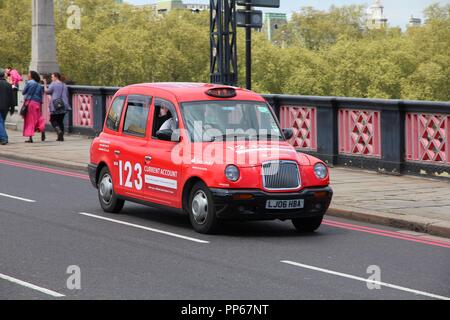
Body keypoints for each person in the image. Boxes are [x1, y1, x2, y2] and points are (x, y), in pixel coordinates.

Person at [44, 73, 71, 141]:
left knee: (53, 120)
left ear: (56, 77)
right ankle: (61, 137)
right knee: (60, 120)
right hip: (64, 104)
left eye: (52, 77)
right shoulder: (64, 85)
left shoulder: (53, 84)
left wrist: (45, 84)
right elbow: (67, 94)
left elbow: (47, 91)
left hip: (55, 105)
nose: (51, 78)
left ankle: (58, 131)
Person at [22, 70, 46, 143]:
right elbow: (41, 95)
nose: (27, 75)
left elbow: (23, 92)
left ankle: (30, 138)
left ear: (31, 76)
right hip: (38, 103)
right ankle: (42, 129)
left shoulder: (29, 82)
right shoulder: (39, 85)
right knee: (38, 117)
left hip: (30, 103)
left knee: (30, 120)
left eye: (28, 74)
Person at [0, 68, 15, 145]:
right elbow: (12, 97)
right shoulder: (9, 85)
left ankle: (3, 138)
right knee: (1, 122)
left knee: (0, 122)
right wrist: (12, 108)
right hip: (6, 107)